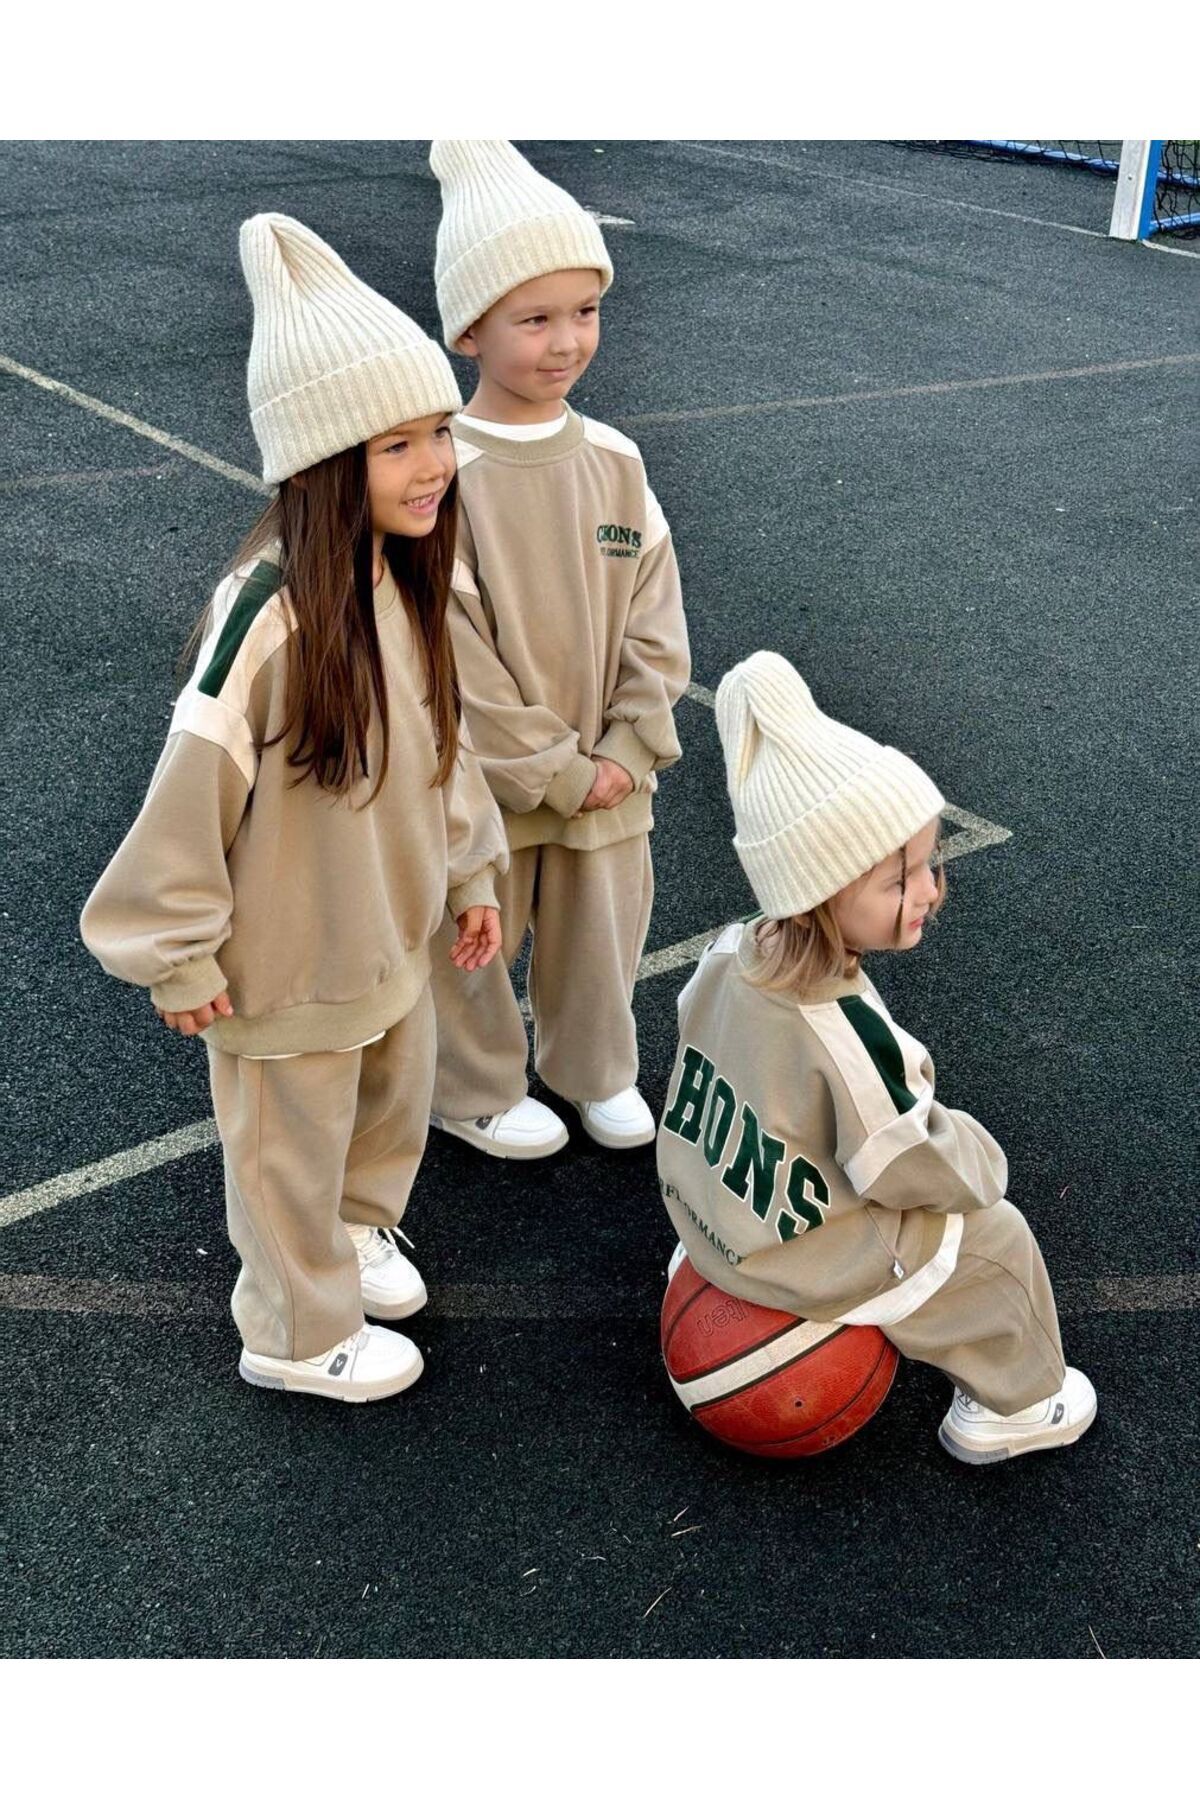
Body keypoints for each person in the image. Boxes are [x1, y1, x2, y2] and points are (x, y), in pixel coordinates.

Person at [81, 214, 508, 1404]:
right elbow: (189, 790)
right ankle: (291, 1326)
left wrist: (470, 872)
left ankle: (355, 1234)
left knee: (384, 1111)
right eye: (398, 445)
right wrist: (175, 952)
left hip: (384, 936)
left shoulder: (403, 580)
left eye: (439, 433)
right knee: (284, 1151)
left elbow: (440, 752)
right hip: (285, 958)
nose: (435, 464)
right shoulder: (263, 617)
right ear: (326, 460)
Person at [657, 650, 1097, 1464]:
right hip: (803, 1254)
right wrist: (978, 1159)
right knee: (994, 1239)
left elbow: (691, 1040)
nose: (931, 887)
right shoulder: (843, 1030)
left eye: (930, 861)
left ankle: (698, 1255)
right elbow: (906, 1163)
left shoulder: (726, 955)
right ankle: (1019, 1406)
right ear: (823, 891)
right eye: (902, 878)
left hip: (714, 1215)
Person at [423, 139, 691, 1159]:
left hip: (611, 781)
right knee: (475, 941)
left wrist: (629, 745)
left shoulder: (617, 460)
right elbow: (452, 651)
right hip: (494, 785)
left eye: (585, 311)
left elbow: (656, 626)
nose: (566, 340)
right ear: (469, 330)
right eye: (534, 319)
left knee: (602, 932)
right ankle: (476, 1085)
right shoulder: (446, 469)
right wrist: (552, 769)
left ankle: (596, 1068)